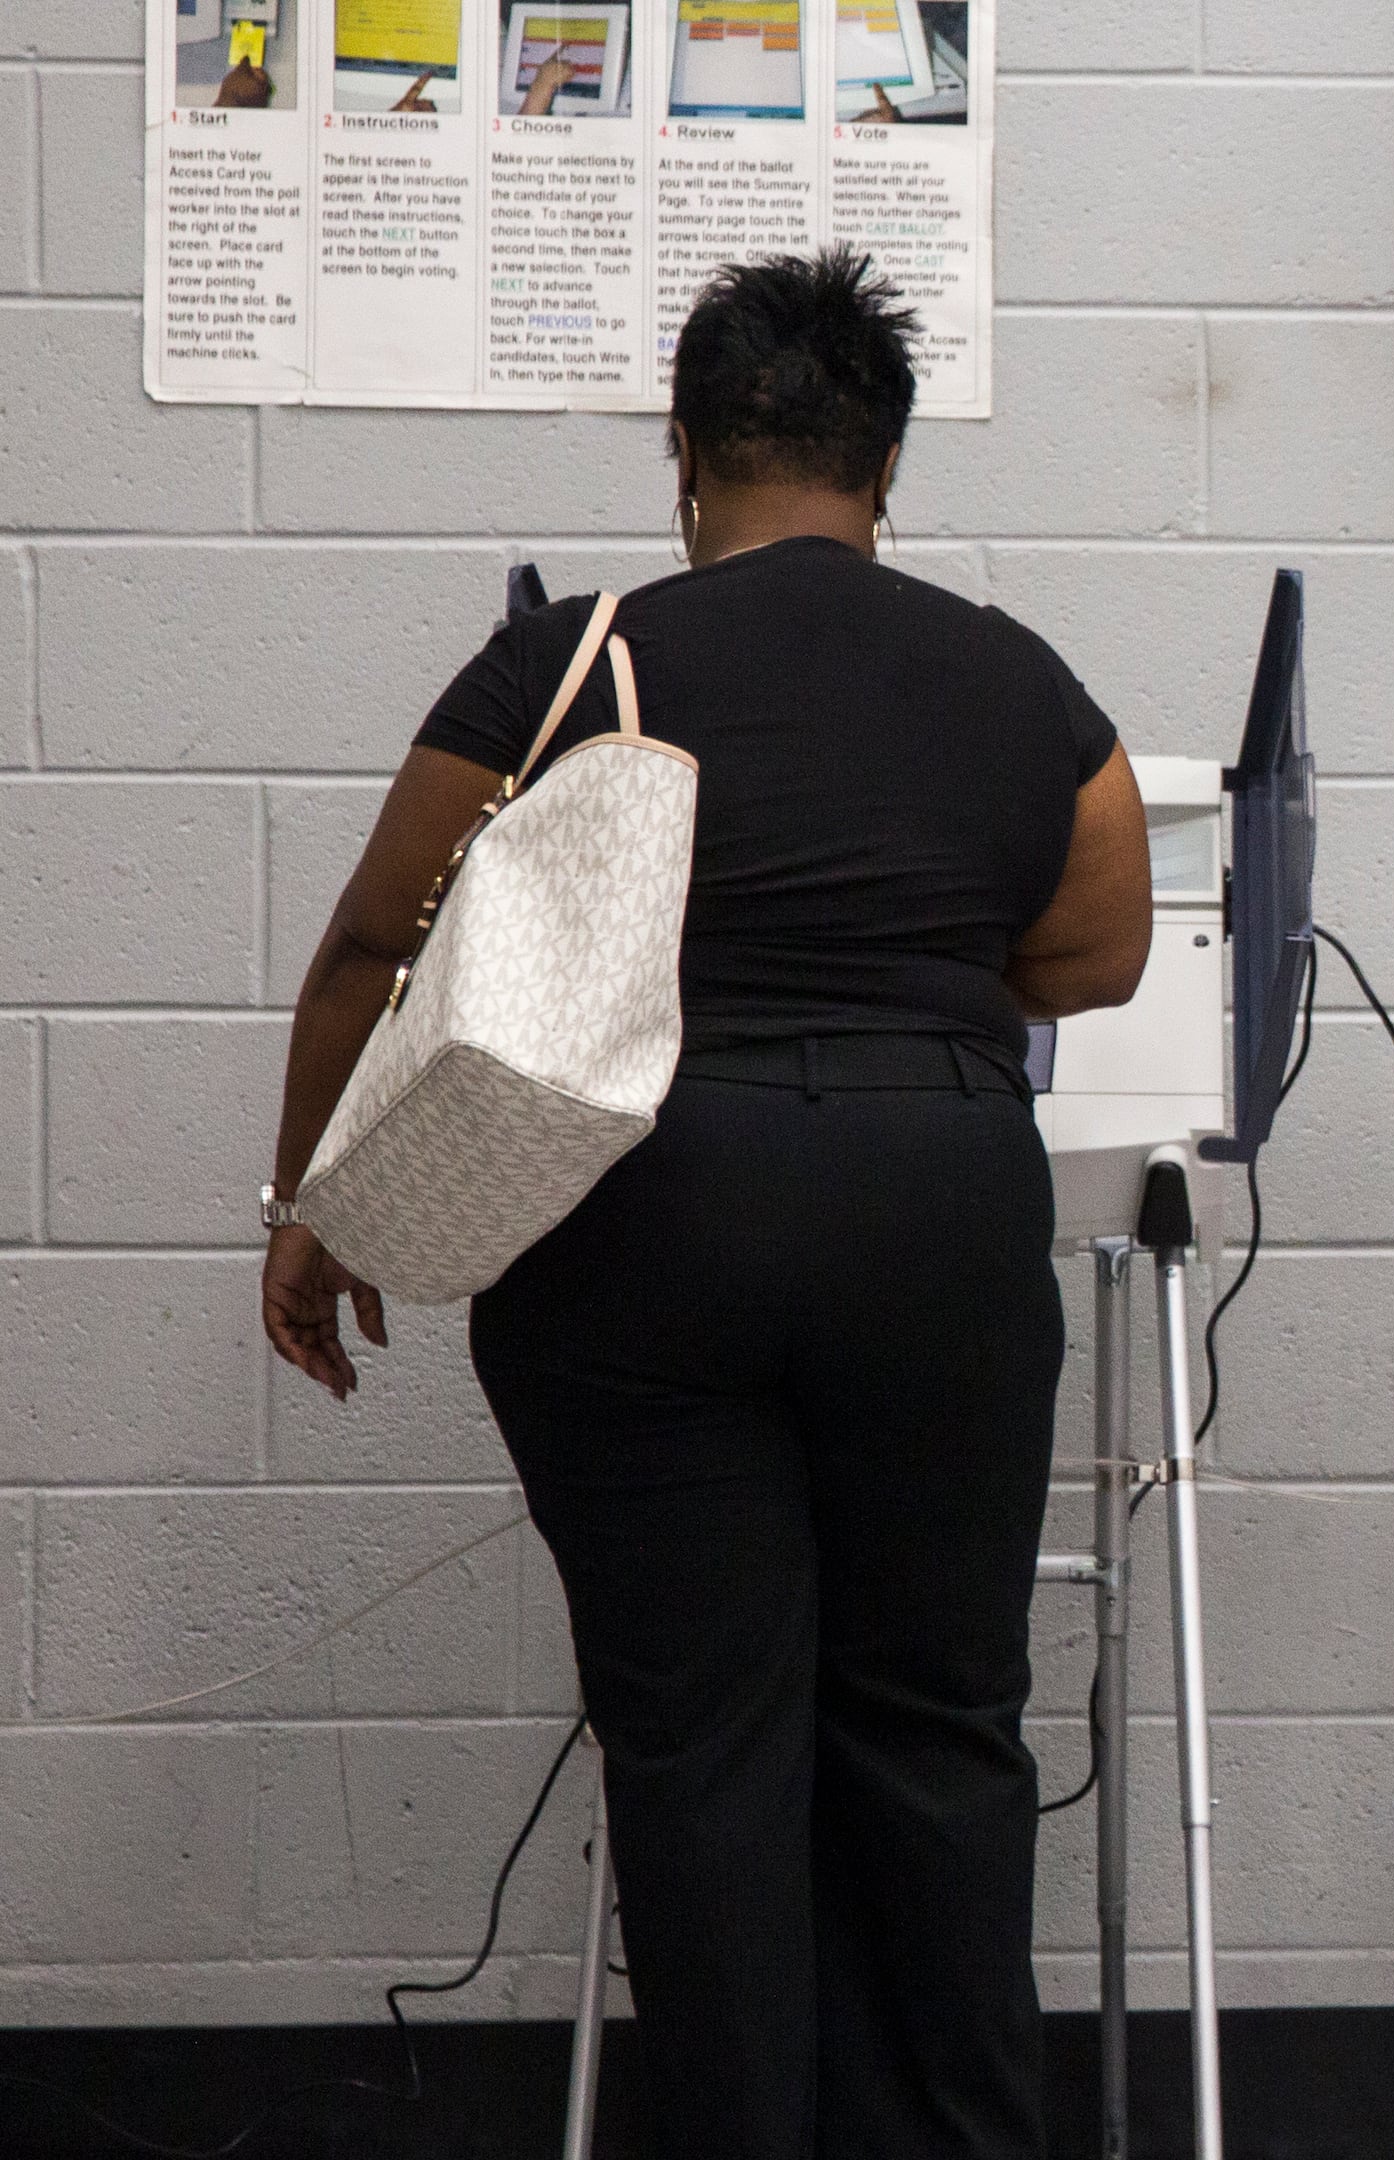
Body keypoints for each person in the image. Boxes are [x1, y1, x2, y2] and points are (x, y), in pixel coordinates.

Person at [257, 247, 1149, 2159]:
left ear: (687, 455)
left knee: (705, 1746)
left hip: (652, 1214)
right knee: (936, 1728)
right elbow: (1097, 955)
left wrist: (313, 1197)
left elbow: (368, 944)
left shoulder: (570, 661)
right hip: (940, 1209)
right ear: (887, 470)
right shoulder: (1023, 681)